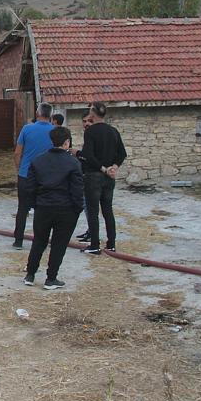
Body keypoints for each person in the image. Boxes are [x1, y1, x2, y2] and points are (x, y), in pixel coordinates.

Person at [22, 126, 84, 290]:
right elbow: (77, 190)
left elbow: (30, 187)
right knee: (59, 244)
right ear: (67, 143)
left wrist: (36, 204)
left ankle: (30, 274)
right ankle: (51, 278)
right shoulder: (73, 163)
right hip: (66, 209)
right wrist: (78, 208)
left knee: (39, 241)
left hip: (43, 207)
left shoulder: (38, 161)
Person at [80, 102, 127, 254]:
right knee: (108, 210)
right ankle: (111, 244)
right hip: (109, 178)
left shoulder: (90, 132)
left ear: (92, 114)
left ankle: (94, 245)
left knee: (93, 212)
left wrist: (103, 169)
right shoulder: (113, 131)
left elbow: (88, 155)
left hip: (94, 176)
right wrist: (114, 167)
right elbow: (122, 153)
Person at [12, 103, 55, 249]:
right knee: (43, 210)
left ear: (37, 113)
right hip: (46, 177)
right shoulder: (55, 131)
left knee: (22, 209)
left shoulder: (27, 129)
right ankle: (41, 239)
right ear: (51, 115)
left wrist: (19, 169)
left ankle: (18, 240)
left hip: (26, 175)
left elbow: (18, 153)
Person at [72, 111, 94, 242]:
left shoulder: (94, 136)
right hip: (86, 175)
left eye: (89, 121)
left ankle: (92, 233)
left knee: (89, 205)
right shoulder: (88, 136)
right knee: (87, 205)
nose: (86, 124)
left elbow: (89, 157)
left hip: (92, 176)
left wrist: (77, 153)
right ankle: (90, 230)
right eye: (84, 121)